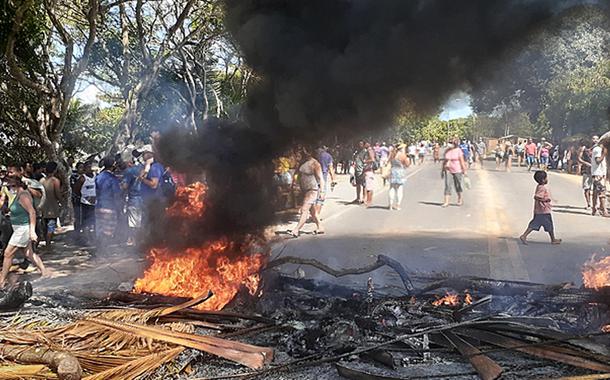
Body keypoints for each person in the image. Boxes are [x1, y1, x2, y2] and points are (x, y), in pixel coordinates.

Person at [0, 175, 50, 288]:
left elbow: (32, 212)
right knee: (29, 253)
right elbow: (18, 209)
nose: (8, 186)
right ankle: (45, 272)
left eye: (9, 184)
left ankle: (1, 282)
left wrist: (32, 231)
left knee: (8, 253)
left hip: (23, 229)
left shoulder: (23, 195)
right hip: (18, 228)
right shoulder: (17, 194)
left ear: (16, 184)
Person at [519, 171, 561, 245]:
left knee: (537, 224)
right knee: (547, 225)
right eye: (546, 178)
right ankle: (524, 235)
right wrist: (545, 200)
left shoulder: (539, 186)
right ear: (543, 180)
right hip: (543, 210)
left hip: (540, 210)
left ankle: (553, 239)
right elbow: (537, 196)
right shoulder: (542, 188)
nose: (547, 179)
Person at [291, 148, 324, 237]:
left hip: (312, 190)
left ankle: (296, 229)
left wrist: (322, 192)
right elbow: (297, 175)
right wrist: (295, 184)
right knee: (312, 210)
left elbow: (321, 179)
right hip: (303, 190)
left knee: (304, 209)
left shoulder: (315, 164)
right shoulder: (301, 163)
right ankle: (320, 227)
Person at [95, 157, 122, 249]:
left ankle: (99, 250)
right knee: (108, 230)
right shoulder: (112, 178)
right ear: (113, 166)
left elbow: (96, 191)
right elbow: (116, 194)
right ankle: (105, 251)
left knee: (100, 229)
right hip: (110, 207)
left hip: (99, 206)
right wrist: (119, 208)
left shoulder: (98, 176)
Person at [40, 162, 62, 246]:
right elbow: (57, 194)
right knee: (51, 227)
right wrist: (61, 199)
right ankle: (48, 245)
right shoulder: (55, 181)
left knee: (45, 227)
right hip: (52, 207)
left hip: (42, 207)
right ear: (55, 170)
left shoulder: (41, 180)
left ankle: (46, 243)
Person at [442, 139, 467, 207]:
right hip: (448, 169)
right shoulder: (447, 151)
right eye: (449, 143)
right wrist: (442, 170)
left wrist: (464, 170)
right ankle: (446, 202)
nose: (449, 144)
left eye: (451, 143)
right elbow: (444, 161)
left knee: (457, 185)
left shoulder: (458, 151)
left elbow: (462, 161)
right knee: (447, 185)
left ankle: (460, 198)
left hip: (457, 170)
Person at [74, 162, 96, 239]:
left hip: (95, 203)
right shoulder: (82, 178)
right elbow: (76, 189)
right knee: (85, 221)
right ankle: (86, 238)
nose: (90, 169)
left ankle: (92, 237)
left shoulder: (96, 177)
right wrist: (84, 197)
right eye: (88, 167)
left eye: (91, 167)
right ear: (84, 169)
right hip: (85, 204)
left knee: (93, 221)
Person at [388, 145, 410, 210]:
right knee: (399, 189)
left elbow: (388, 162)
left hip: (393, 171)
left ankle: (390, 205)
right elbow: (407, 164)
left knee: (391, 188)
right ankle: (398, 205)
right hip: (400, 172)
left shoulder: (392, 154)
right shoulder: (402, 155)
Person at [316, 146, 336, 216]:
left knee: (313, 195)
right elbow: (330, 168)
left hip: (313, 177)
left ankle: (313, 214)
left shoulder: (315, 155)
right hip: (323, 177)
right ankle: (316, 215)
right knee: (321, 196)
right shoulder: (328, 156)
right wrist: (333, 179)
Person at [591, 138, 608, 217]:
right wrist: (604, 154)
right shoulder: (598, 150)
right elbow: (597, 160)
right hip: (598, 174)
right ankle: (604, 210)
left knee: (595, 192)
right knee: (602, 192)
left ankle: (594, 209)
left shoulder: (596, 149)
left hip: (597, 173)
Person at [578, 137, 594, 210]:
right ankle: (589, 204)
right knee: (587, 188)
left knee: (596, 188)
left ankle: (595, 205)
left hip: (596, 171)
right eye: (593, 138)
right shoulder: (583, 148)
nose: (594, 140)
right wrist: (586, 163)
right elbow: (579, 158)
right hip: (587, 170)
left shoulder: (599, 148)